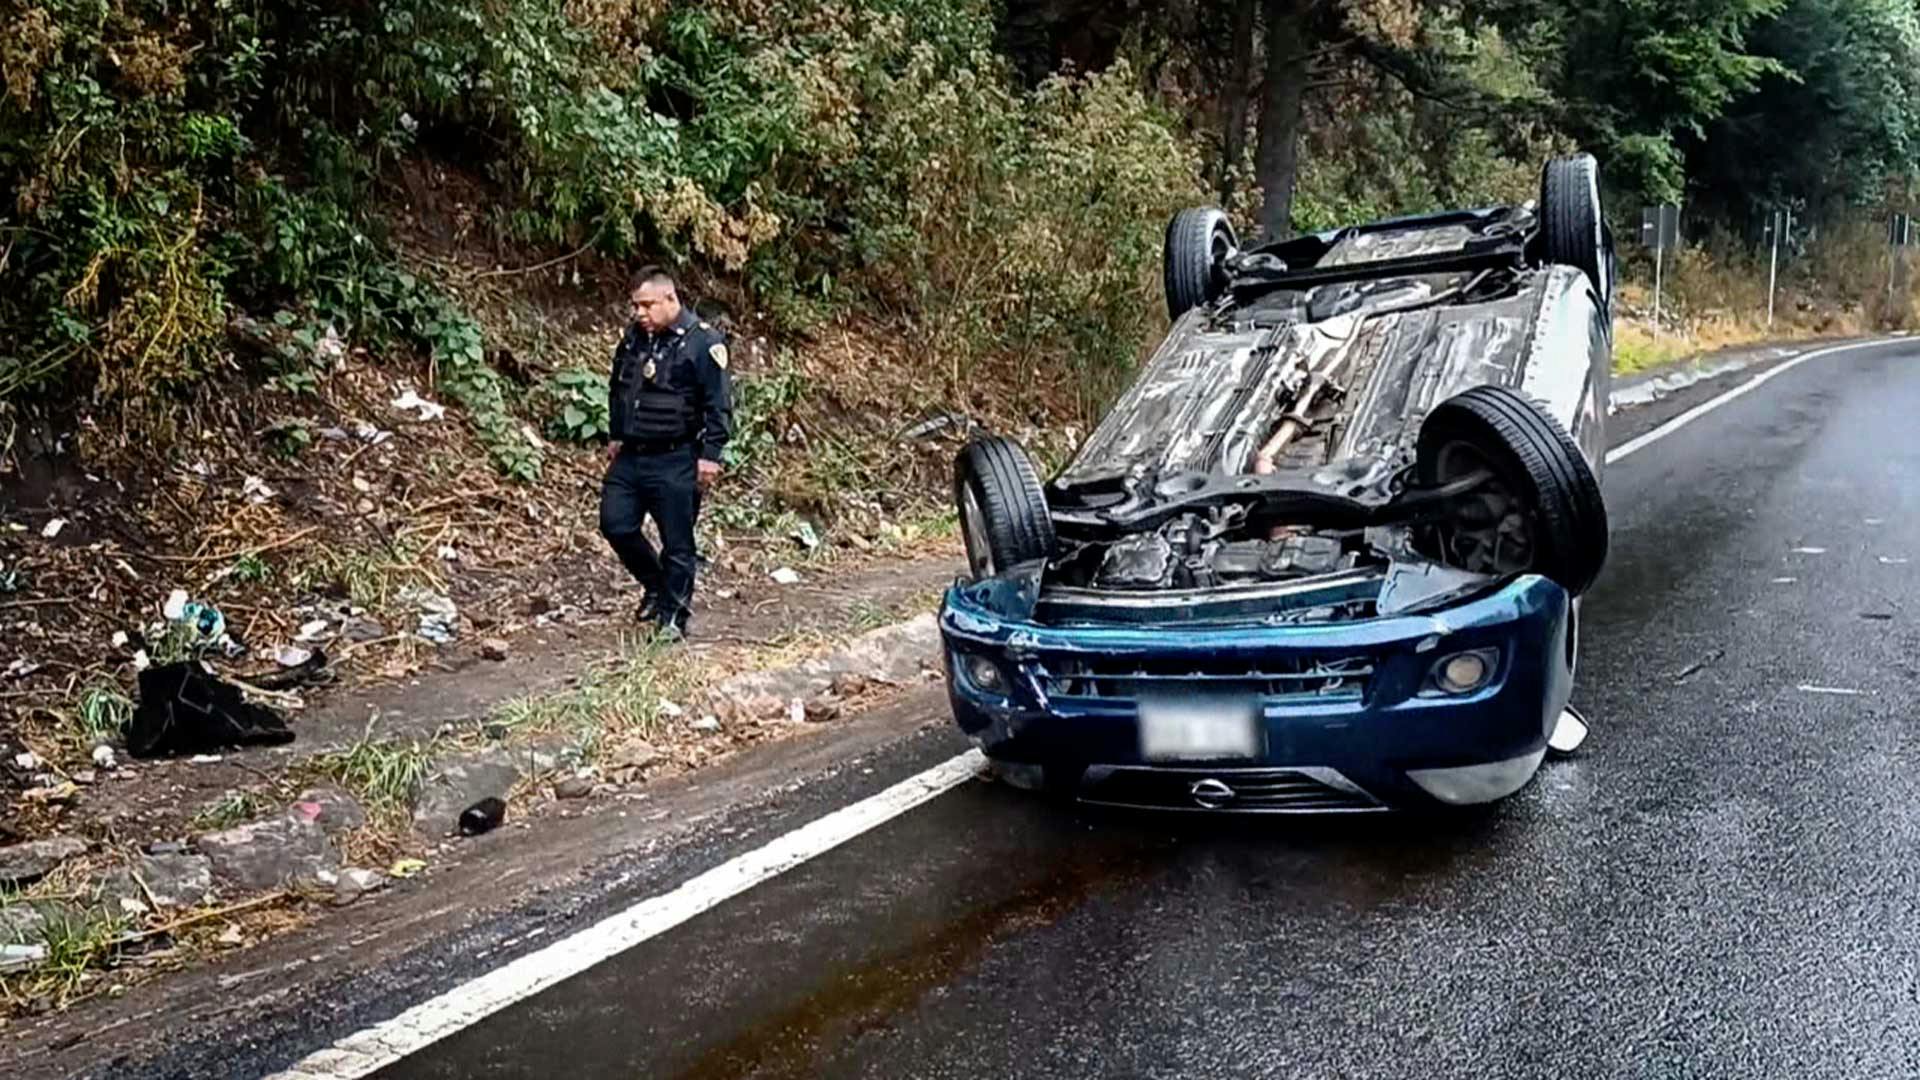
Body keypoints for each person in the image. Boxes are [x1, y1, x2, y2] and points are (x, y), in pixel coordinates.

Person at [600, 266, 733, 640]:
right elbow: (619, 386)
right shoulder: (634, 339)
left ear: (670, 298)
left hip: (677, 456)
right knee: (615, 523)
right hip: (631, 454)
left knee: (677, 542)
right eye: (636, 306)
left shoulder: (704, 343)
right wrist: (616, 433)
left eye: (647, 305)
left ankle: (674, 615)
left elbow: (719, 404)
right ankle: (657, 586)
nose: (640, 313)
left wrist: (711, 455)